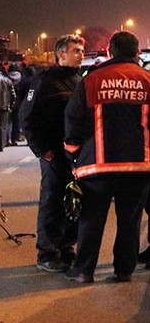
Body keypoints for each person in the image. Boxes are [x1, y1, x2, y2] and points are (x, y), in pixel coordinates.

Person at [63, 31, 150, 283]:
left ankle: (83, 270)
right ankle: (124, 269)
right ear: (136, 53)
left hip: (97, 164)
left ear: (109, 52)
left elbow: (73, 119)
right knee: (130, 222)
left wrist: (74, 152)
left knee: (91, 219)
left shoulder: (91, 80)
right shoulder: (147, 80)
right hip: (137, 165)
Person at [20, 34, 85, 273]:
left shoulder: (80, 81)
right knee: (52, 201)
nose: (79, 54)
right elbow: (26, 118)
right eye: (75, 50)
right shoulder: (44, 82)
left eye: (81, 50)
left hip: (77, 154)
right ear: (61, 54)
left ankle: (67, 248)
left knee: (74, 202)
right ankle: (47, 253)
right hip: (54, 154)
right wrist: (42, 150)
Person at [6, 63, 23, 145]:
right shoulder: (21, 78)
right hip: (18, 102)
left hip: (7, 101)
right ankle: (15, 138)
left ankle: (7, 139)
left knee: (7, 121)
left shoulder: (6, 77)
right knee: (16, 121)